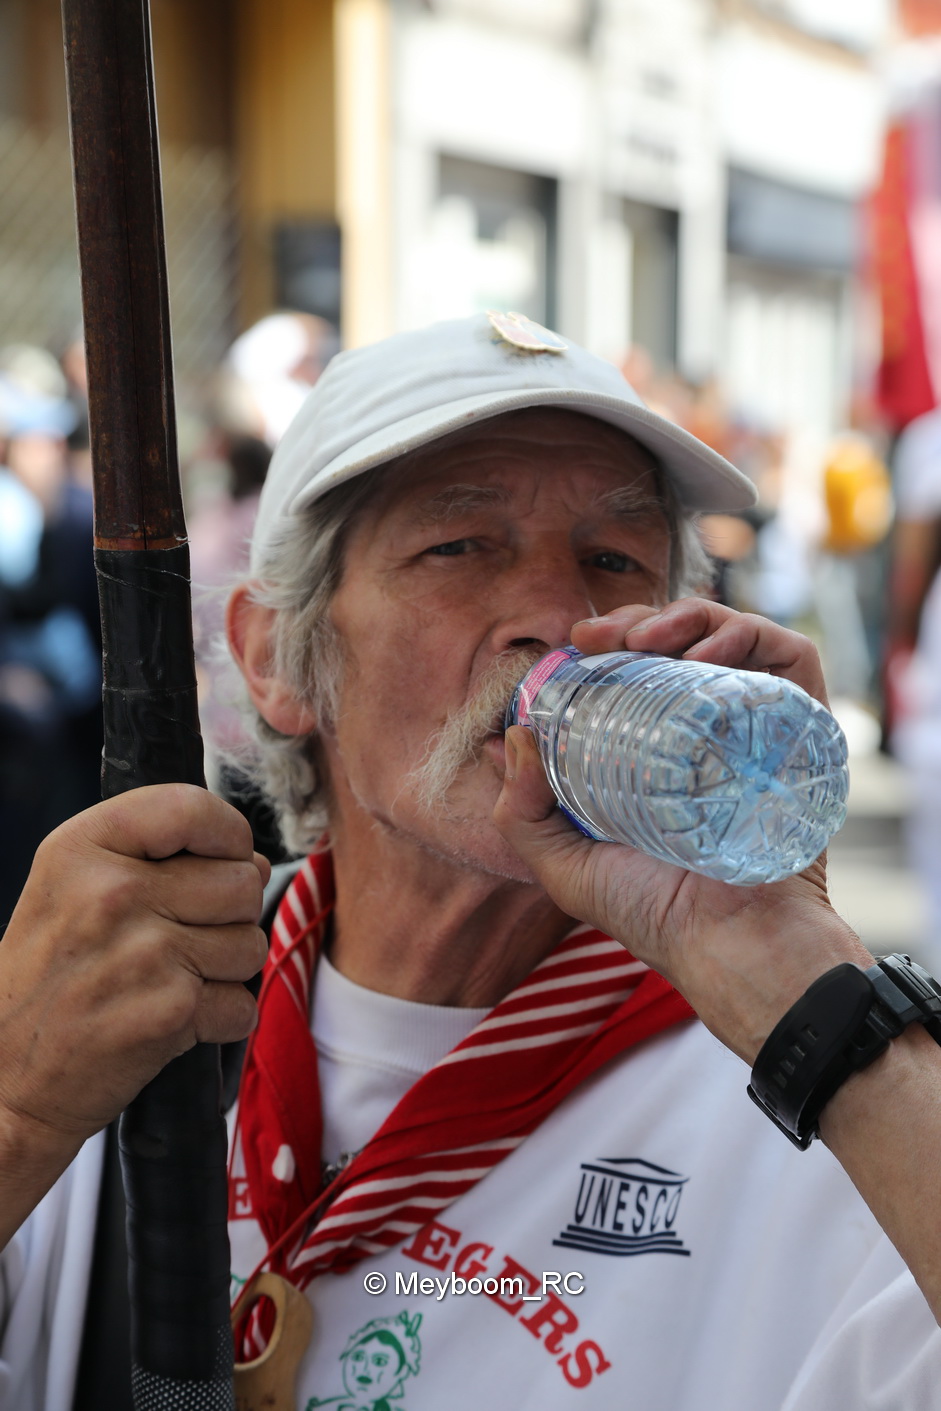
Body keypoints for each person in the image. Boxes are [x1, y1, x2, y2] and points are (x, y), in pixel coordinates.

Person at [2, 312, 941, 1411]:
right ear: (275, 658)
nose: (558, 615)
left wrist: (811, 990)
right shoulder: (104, 1015)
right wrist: (18, 1115)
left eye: (613, 559)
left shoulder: (819, 1093)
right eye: (458, 546)